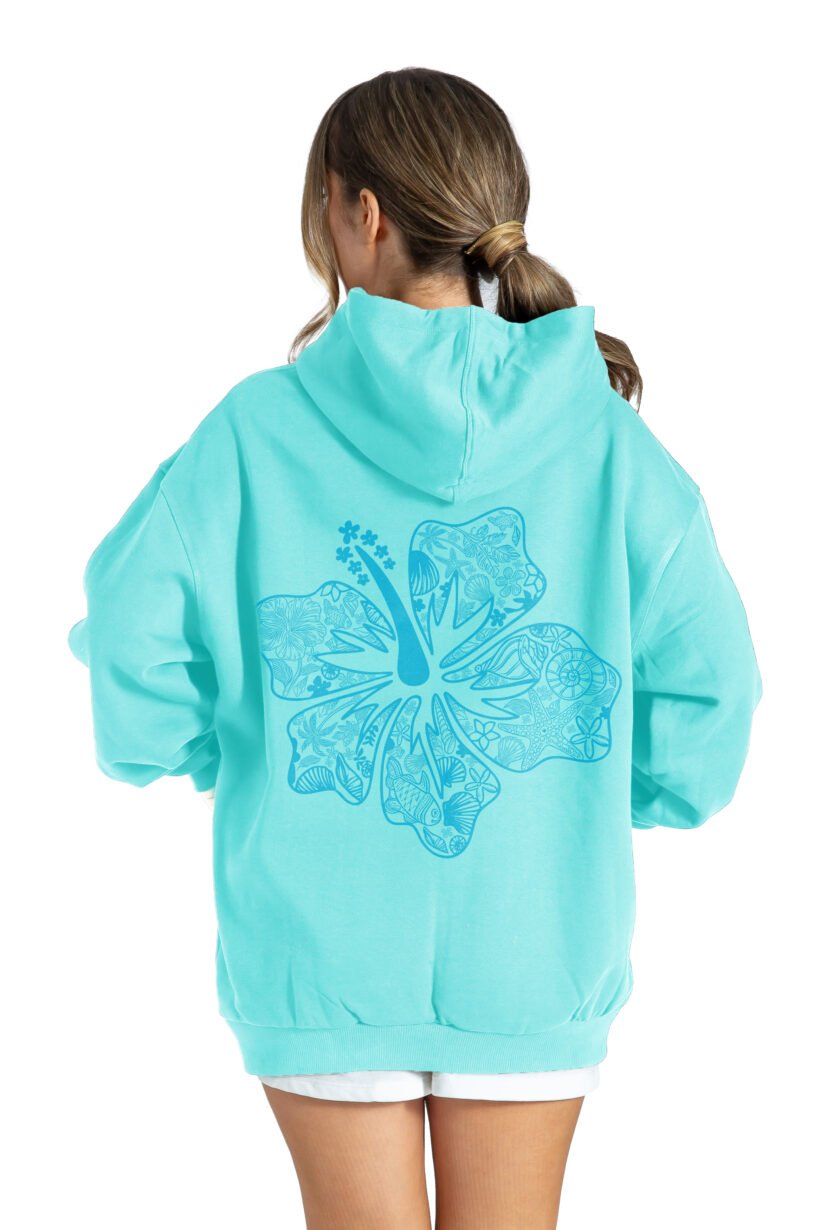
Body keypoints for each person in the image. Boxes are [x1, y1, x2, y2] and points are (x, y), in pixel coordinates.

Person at [67, 67, 762, 1230]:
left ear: (362, 214)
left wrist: (227, 752)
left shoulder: (254, 430)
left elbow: (131, 639)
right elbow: (713, 691)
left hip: (316, 952)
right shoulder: (602, 438)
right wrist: (600, 792)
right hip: (536, 947)